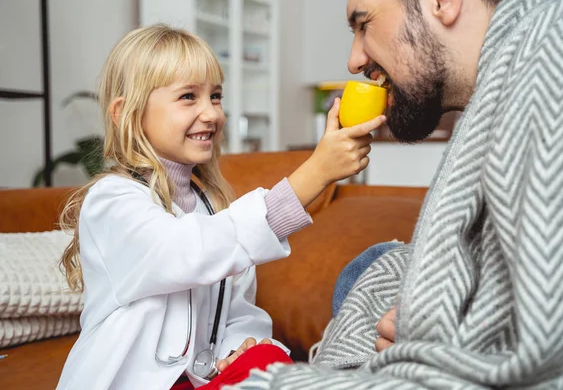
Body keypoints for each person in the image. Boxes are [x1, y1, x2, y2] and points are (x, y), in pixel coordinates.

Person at [233, 0, 563, 388]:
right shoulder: (512, 80)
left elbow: (559, 352)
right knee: (375, 263)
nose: (354, 60)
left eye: (364, 24)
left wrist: (435, 339)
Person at [56, 24, 385, 390]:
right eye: (187, 97)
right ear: (126, 113)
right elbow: (187, 251)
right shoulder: (113, 202)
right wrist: (313, 175)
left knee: (267, 361)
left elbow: (239, 312)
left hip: (195, 382)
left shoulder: (213, 208)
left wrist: (238, 348)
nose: (211, 114)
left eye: (215, 96)